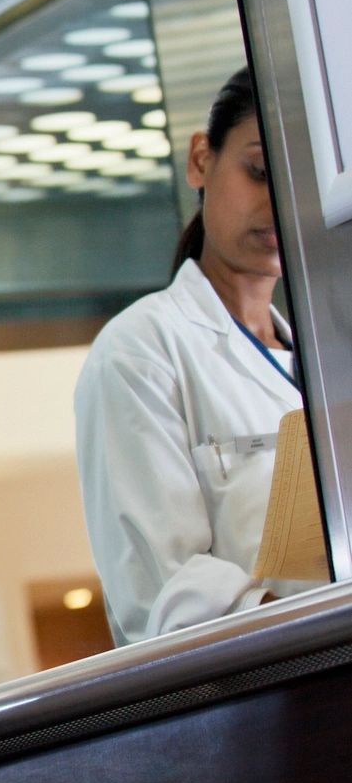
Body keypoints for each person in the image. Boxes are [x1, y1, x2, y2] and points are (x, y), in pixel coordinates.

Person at [75, 66, 321, 645]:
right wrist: (313, 624)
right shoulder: (140, 351)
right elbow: (164, 599)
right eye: (259, 172)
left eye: (303, 181)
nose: (279, 200)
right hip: (278, 695)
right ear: (200, 160)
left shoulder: (324, 354)